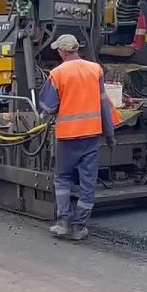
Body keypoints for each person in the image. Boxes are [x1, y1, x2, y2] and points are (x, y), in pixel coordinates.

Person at [38, 34, 117, 241]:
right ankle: (80, 227)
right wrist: (109, 134)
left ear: (63, 52)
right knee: (88, 182)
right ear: (76, 49)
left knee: (63, 178)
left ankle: (63, 222)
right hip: (91, 135)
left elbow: (48, 106)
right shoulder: (95, 70)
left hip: (67, 136)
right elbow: (104, 105)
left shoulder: (57, 74)